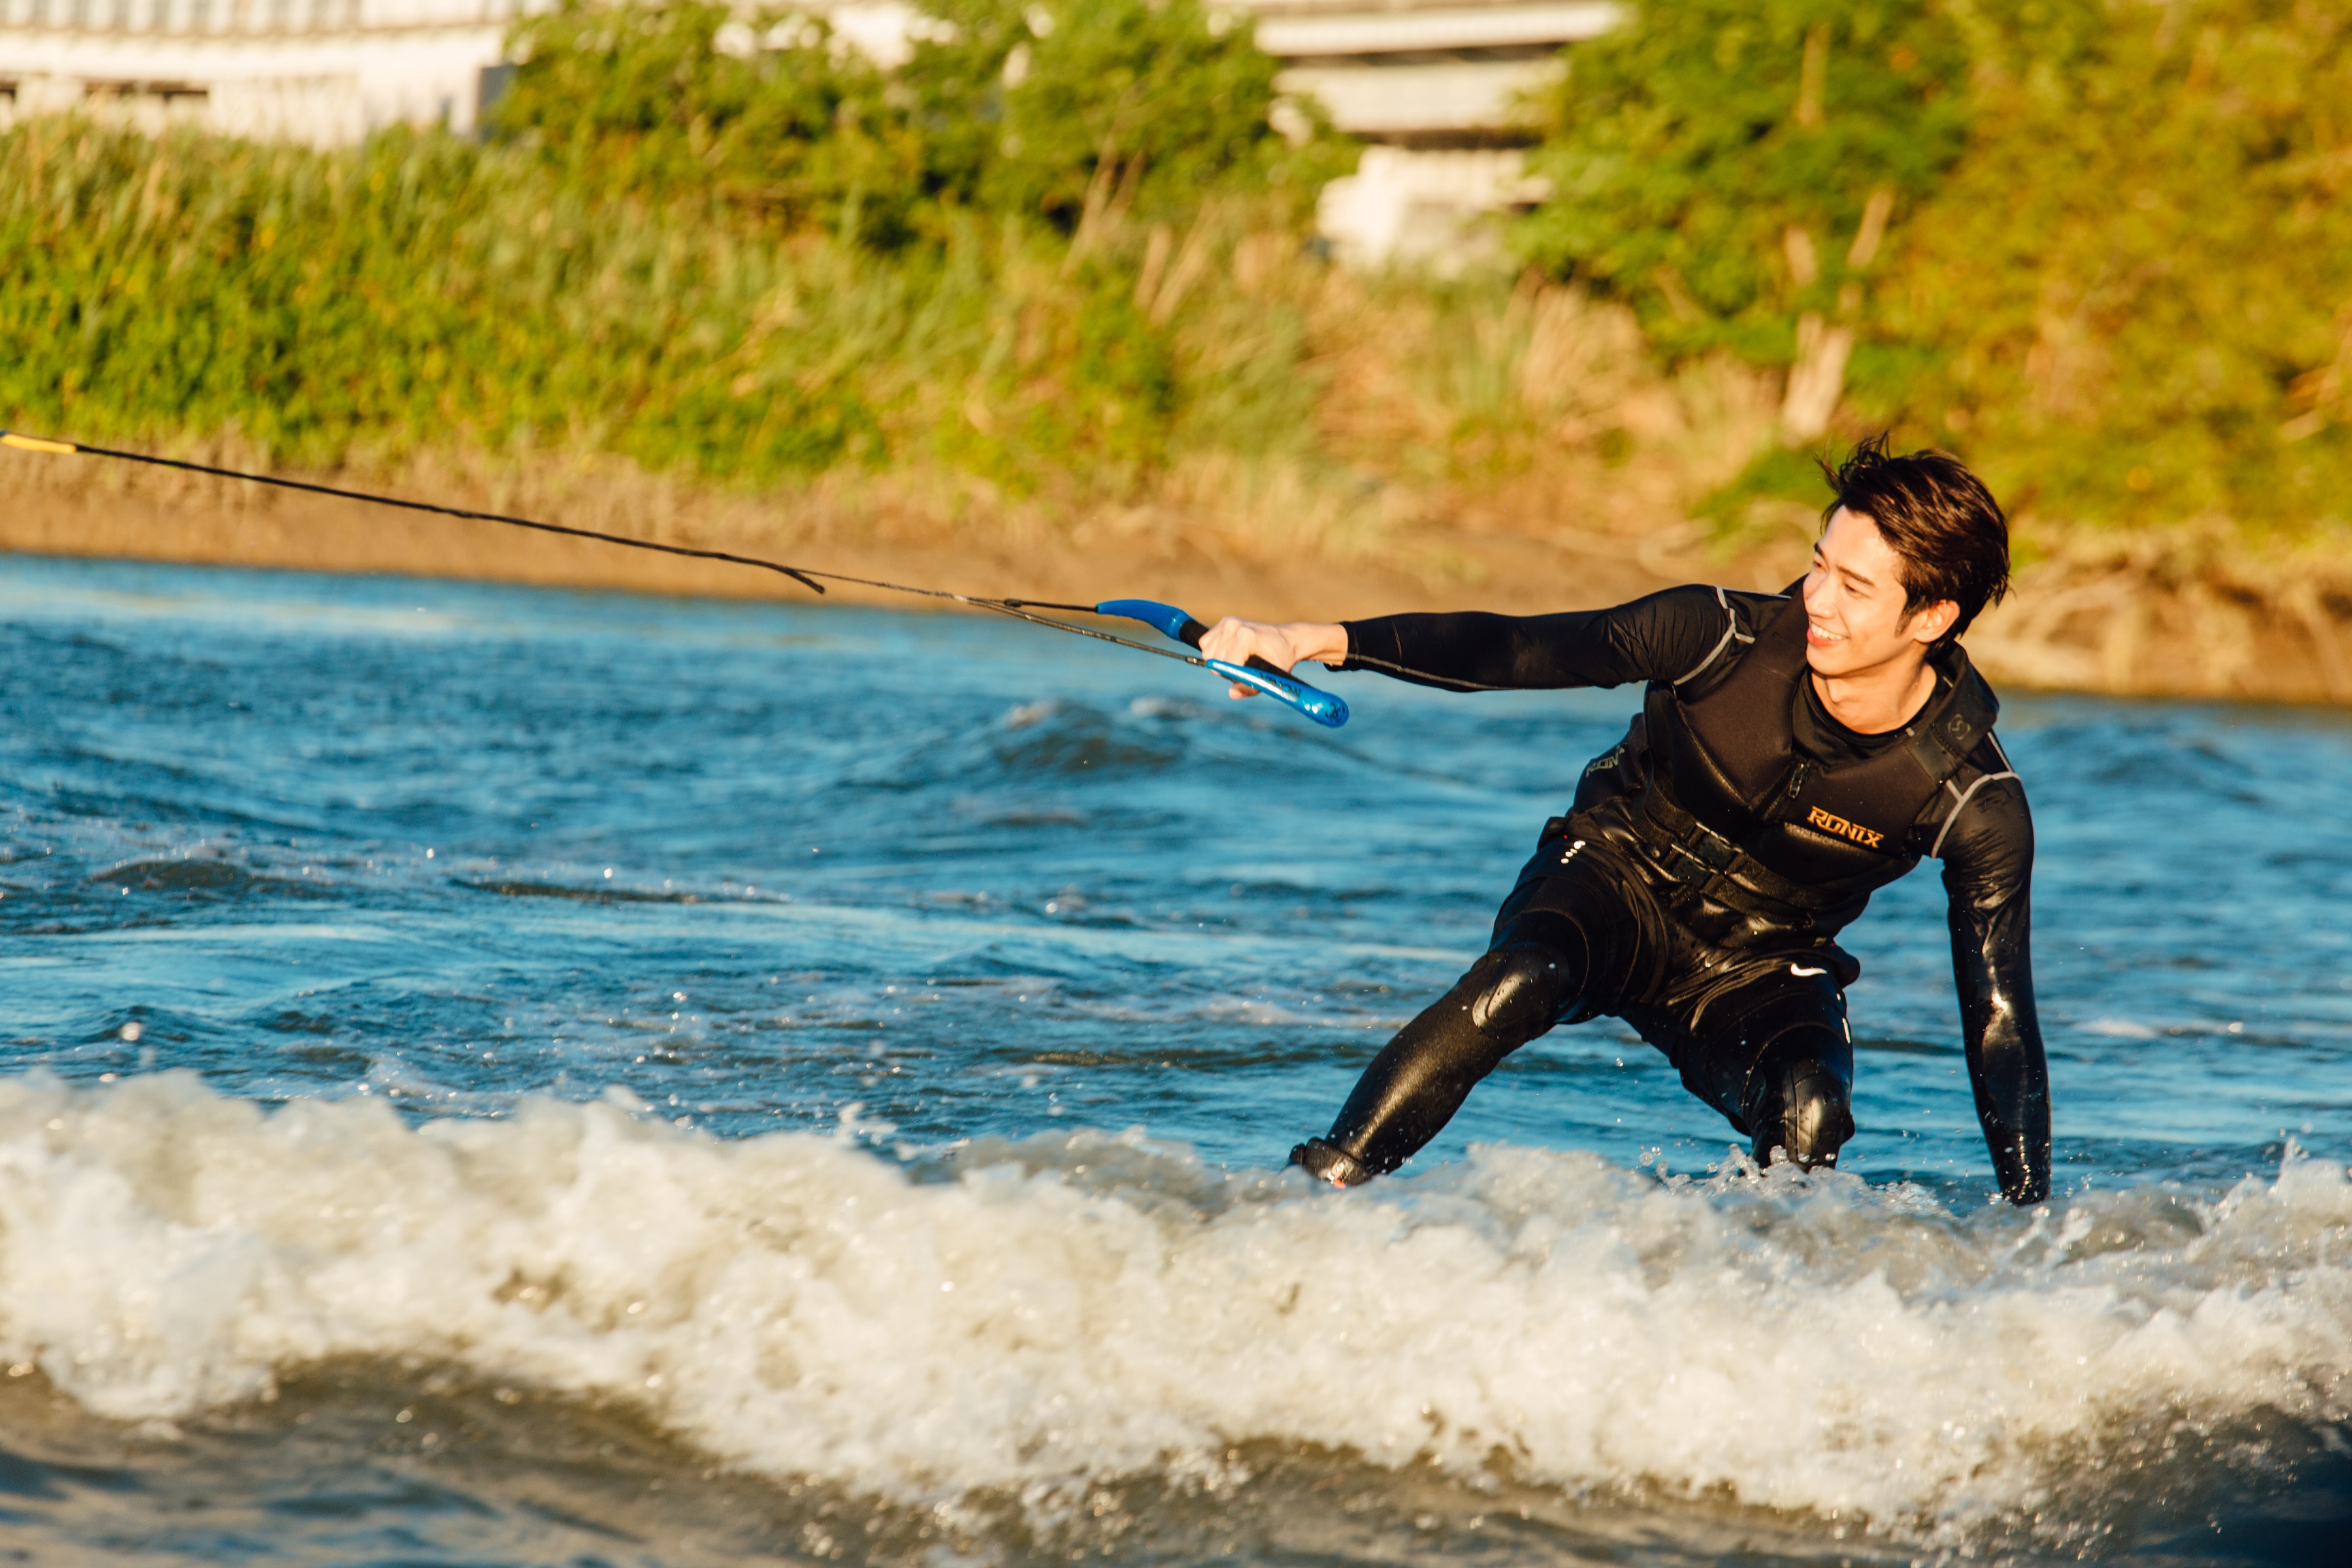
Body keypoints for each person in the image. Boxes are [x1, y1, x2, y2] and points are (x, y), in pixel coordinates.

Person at [1200, 436, 2051, 1203]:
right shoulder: (1716, 637)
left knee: (1811, 1110)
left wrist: (2029, 1225)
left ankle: (1760, 1313)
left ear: (1932, 618)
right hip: (1611, 879)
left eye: (1854, 588)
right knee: (1520, 979)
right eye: (1819, 563)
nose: (1816, 599)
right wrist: (1309, 639)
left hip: (1760, 964)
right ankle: (1311, 1200)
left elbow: (2001, 1020)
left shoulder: (1973, 801)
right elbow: (1519, 650)